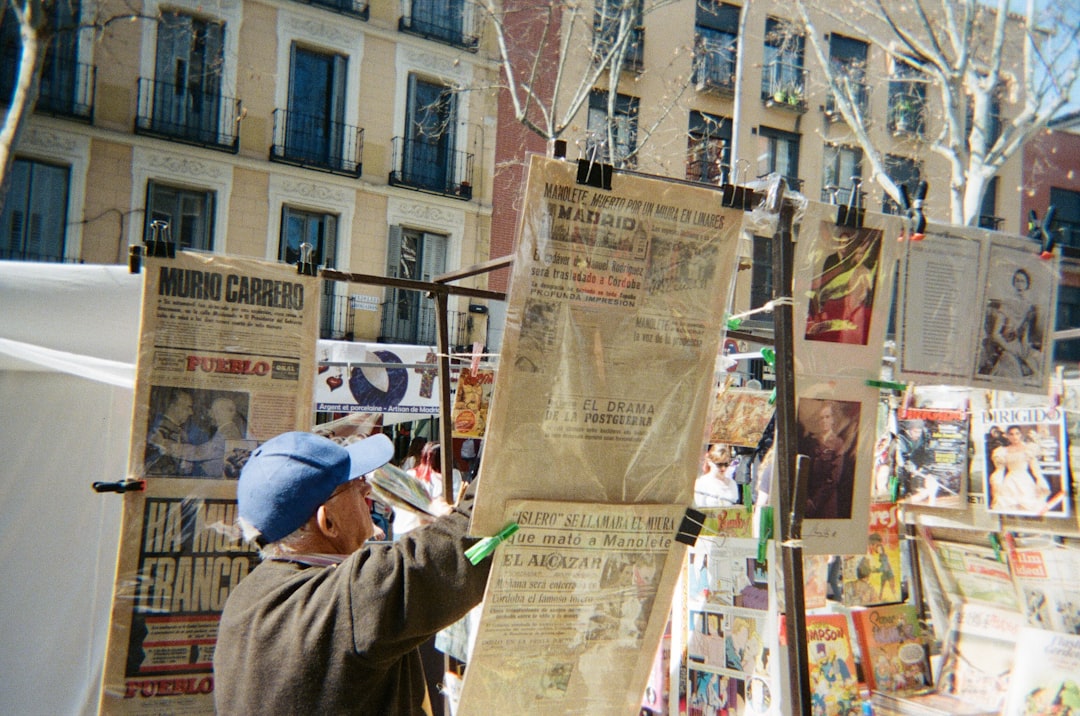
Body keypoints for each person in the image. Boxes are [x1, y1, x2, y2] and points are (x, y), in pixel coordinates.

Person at [213, 431, 490, 715]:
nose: (366, 489)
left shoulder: (244, 599)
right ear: (327, 521)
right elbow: (474, 538)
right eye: (354, 483)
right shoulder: (348, 600)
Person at [805, 226, 879, 345]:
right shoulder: (831, 261)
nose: (844, 245)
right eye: (842, 242)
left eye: (846, 243)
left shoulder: (858, 270)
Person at [157, 396, 246, 477]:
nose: (210, 415)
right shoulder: (227, 429)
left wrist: (167, 445)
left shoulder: (228, 432)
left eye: (212, 411)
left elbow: (199, 452)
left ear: (221, 413)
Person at [393, 441, 461, 537]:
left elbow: (397, 502)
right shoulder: (452, 475)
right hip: (430, 531)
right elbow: (455, 500)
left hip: (402, 527)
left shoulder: (410, 474)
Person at [800, 402, 854, 519]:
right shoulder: (810, 442)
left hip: (826, 502)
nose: (824, 420)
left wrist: (815, 502)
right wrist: (806, 498)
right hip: (807, 501)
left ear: (833, 420)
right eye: (821, 418)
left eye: (827, 417)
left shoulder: (838, 443)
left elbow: (833, 479)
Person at [989, 424, 1053, 513]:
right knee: (1008, 503)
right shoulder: (1002, 451)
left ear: (1020, 435)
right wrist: (996, 480)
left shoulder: (1028, 448)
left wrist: (1039, 479)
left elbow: (1034, 467)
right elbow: (1000, 469)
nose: (1014, 436)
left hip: (1024, 479)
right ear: (1007, 436)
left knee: (1028, 503)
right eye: (1011, 434)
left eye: (1017, 433)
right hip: (1010, 481)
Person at [145, 389, 195, 475]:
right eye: (188, 407)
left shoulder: (180, 432)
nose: (191, 412)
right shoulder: (157, 432)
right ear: (173, 406)